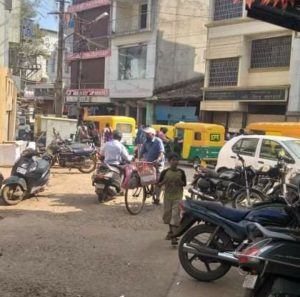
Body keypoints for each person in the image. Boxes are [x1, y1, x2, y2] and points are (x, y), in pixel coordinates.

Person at [158, 153, 186, 245]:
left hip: (178, 197)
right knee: (168, 215)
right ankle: (171, 232)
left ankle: (174, 236)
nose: (175, 162)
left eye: (176, 160)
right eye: (173, 160)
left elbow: (184, 184)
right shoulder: (165, 172)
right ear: (169, 161)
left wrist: (180, 182)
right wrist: (163, 182)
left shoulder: (181, 172)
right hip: (167, 197)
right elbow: (158, 184)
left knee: (175, 215)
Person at [139, 127, 165, 204]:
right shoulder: (145, 142)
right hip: (148, 163)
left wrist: (158, 159)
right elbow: (142, 152)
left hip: (157, 164)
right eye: (145, 133)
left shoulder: (158, 141)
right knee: (143, 175)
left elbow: (161, 152)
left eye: (148, 134)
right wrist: (137, 158)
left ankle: (157, 198)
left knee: (158, 180)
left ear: (153, 134)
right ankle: (149, 187)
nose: (146, 135)